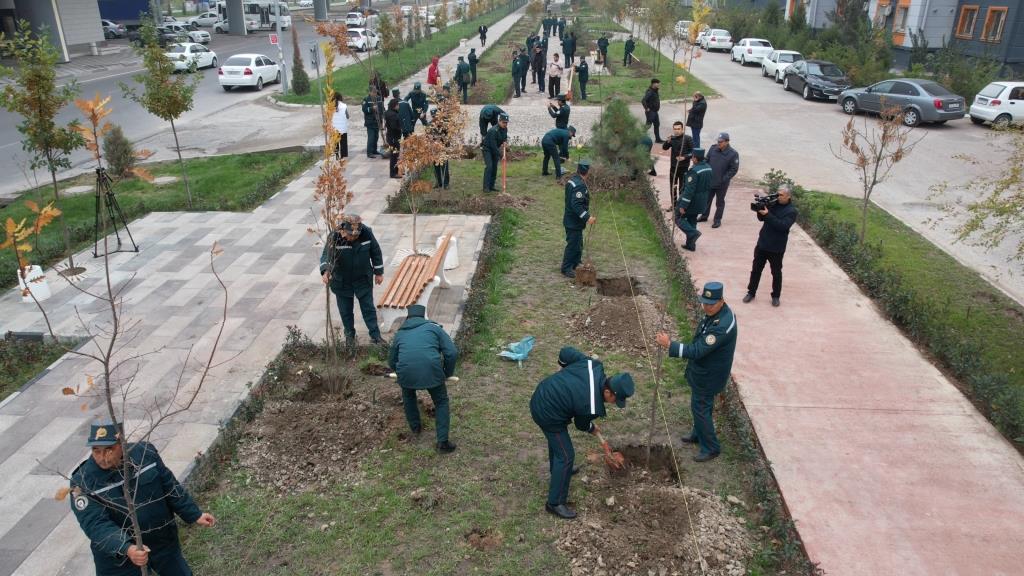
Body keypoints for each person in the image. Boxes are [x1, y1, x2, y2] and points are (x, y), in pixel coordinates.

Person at [70, 423, 216, 576]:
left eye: (109, 449)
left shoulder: (145, 453)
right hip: (119, 558)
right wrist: (127, 548)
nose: (102, 457)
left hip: (161, 540)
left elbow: (169, 486)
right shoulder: (81, 482)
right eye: (96, 451)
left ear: (122, 444)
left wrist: (194, 514)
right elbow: (96, 524)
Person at [530, 347, 635, 519]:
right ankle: (554, 503)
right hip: (547, 412)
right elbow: (581, 424)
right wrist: (592, 428)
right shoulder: (592, 404)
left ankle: (558, 471)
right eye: (615, 400)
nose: (614, 403)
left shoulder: (592, 365)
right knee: (566, 455)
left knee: (557, 444)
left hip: (543, 391)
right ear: (608, 392)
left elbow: (565, 352)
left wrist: (562, 370)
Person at [655, 281, 738, 463]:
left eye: (711, 304)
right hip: (704, 370)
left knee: (700, 408)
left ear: (721, 301)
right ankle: (698, 433)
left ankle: (711, 447)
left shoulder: (721, 326)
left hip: (709, 376)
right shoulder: (718, 313)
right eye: (704, 303)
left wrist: (670, 345)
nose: (706, 307)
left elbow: (698, 350)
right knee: (700, 407)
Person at [389, 304, 459, 453]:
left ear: (408, 318)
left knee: (408, 396)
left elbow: (391, 360)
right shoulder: (434, 329)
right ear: (423, 317)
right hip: (432, 371)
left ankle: (415, 428)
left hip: (406, 373)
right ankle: (442, 443)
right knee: (441, 402)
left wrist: (400, 372)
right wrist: (447, 372)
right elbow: (451, 352)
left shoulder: (400, 334)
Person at [321, 215, 386, 344]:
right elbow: (326, 255)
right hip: (342, 280)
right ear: (344, 230)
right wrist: (326, 270)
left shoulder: (366, 233)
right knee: (345, 311)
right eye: (351, 235)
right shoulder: (335, 236)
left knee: (368, 309)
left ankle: (375, 335)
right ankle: (350, 337)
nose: (353, 237)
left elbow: (376, 252)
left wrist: (378, 273)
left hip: (363, 278)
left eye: (356, 235)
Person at [744, 186, 797, 307]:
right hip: (762, 243)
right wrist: (760, 210)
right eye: (777, 194)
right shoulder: (773, 204)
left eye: (781, 195)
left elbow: (782, 226)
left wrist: (767, 215)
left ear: (789, 196)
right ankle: (751, 292)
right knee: (756, 270)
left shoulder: (792, 211)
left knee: (776, 273)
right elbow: (761, 218)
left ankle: (776, 296)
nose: (778, 197)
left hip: (777, 248)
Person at [561, 160, 594, 278]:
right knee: (573, 245)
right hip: (573, 222)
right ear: (586, 171)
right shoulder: (579, 185)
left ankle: (576, 262)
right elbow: (576, 205)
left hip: (572, 220)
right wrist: (587, 217)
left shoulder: (573, 180)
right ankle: (566, 268)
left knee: (578, 243)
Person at [700, 132, 740, 228]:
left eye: (721, 142)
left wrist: (724, 179)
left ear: (727, 142)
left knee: (720, 202)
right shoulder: (713, 148)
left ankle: (717, 220)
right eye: (718, 141)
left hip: (722, 184)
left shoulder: (733, 154)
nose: (719, 143)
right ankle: (704, 216)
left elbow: (734, 169)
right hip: (710, 180)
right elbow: (706, 160)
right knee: (707, 200)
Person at [675, 148, 711, 251]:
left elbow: (689, 190)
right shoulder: (708, 168)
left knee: (678, 218)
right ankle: (691, 245)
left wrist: (683, 205)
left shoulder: (694, 171)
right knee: (692, 220)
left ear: (695, 158)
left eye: (692, 158)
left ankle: (693, 233)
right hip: (702, 201)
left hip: (692, 201)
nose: (691, 159)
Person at [662, 121, 694, 206]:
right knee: (673, 187)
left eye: (678, 129)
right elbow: (664, 148)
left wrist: (684, 157)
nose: (676, 131)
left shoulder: (688, 138)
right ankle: (674, 205)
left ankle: (681, 206)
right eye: (675, 129)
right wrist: (667, 142)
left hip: (683, 168)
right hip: (673, 167)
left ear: (682, 129)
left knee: (682, 188)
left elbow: (693, 152)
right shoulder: (672, 138)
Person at [482, 112, 508, 192]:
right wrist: (501, 156)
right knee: (489, 166)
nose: (505, 124)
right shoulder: (493, 131)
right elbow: (493, 146)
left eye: (506, 123)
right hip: (487, 149)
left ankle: (491, 186)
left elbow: (504, 138)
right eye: (503, 122)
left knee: (494, 167)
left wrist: (505, 142)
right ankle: (486, 187)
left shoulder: (505, 129)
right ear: (499, 121)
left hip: (495, 148)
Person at [427, 109, 451, 189]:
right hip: (434, 149)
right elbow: (427, 136)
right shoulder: (430, 125)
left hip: (443, 148)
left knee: (444, 166)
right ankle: (439, 182)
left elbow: (448, 136)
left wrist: (446, 145)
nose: (435, 118)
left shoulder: (444, 125)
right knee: (436, 166)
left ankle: (446, 184)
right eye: (433, 116)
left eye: (436, 116)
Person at [362, 88, 383, 158]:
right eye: (373, 93)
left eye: (376, 93)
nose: (375, 94)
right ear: (370, 92)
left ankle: (374, 150)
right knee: (371, 137)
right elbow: (364, 109)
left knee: (376, 137)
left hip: (377, 121)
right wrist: (372, 108)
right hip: (370, 122)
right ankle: (369, 152)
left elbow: (381, 108)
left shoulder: (379, 98)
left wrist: (382, 118)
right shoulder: (366, 99)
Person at [384, 99, 402, 178]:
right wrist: (401, 128)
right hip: (393, 138)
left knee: (395, 155)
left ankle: (396, 171)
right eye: (398, 105)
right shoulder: (392, 115)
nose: (399, 106)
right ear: (395, 105)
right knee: (394, 156)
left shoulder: (389, 113)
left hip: (391, 137)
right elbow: (394, 126)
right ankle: (393, 173)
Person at [642, 78, 663, 143]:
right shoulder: (650, 91)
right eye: (658, 83)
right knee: (648, 125)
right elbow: (643, 100)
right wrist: (647, 108)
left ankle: (658, 139)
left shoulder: (655, 90)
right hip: (651, 112)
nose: (659, 85)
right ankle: (640, 136)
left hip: (655, 112)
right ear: (654, 84)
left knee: (657, 124)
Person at [331, 92, 349, 159]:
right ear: (340, 98)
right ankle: (343, 157)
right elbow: (347, 116)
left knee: (335, 143)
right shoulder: (344, 105)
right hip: (342, 128)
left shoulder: (330, 106)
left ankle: (336, 156)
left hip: (334, 128)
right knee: (343, 143)